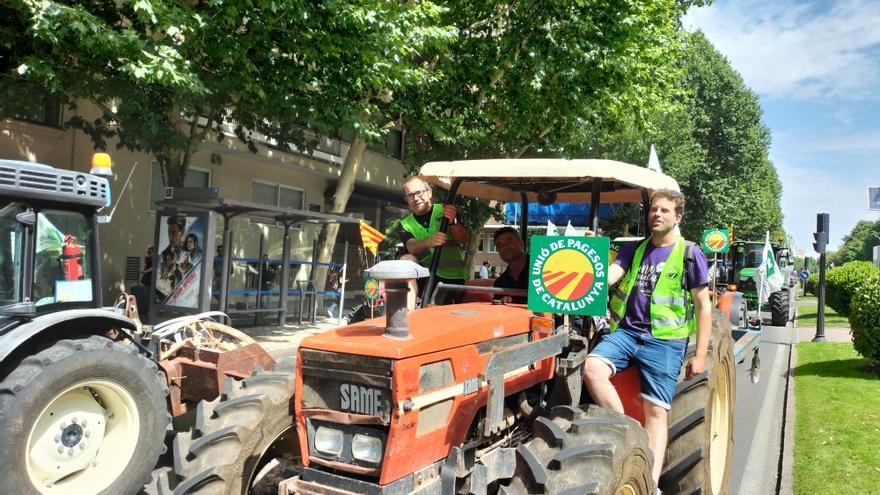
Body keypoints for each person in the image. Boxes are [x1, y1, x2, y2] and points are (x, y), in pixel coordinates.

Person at [583, 189, 711, 491]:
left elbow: (704, 306)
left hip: (665, 342)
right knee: (592, 368)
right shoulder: (634, 249)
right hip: (626, 333)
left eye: (665, 210)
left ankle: (648, 483)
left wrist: (701, 354)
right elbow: (608, 277)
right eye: (653, 209)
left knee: (656, 411)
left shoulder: (690, 254)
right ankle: (628, 434)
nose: (657, 214)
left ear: (677, 217)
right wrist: (587, 254)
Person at [396, 176, 469, 304]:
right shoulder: (404, 224)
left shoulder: (446, 210)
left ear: (429, 192)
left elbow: (464, 239)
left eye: (418, 193)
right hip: (426, 277)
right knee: (405, 260)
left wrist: (453, 222)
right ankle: (408, 312)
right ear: (406, 199)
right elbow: (411, 247)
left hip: (453, 278)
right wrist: (428, 241)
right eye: (410, 195)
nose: (416, 198)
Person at [492, 227, 529, 304]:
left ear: (521, 243)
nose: (504, 247)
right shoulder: (500, 283)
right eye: (499, 245)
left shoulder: (541, 268)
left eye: (509, 242)